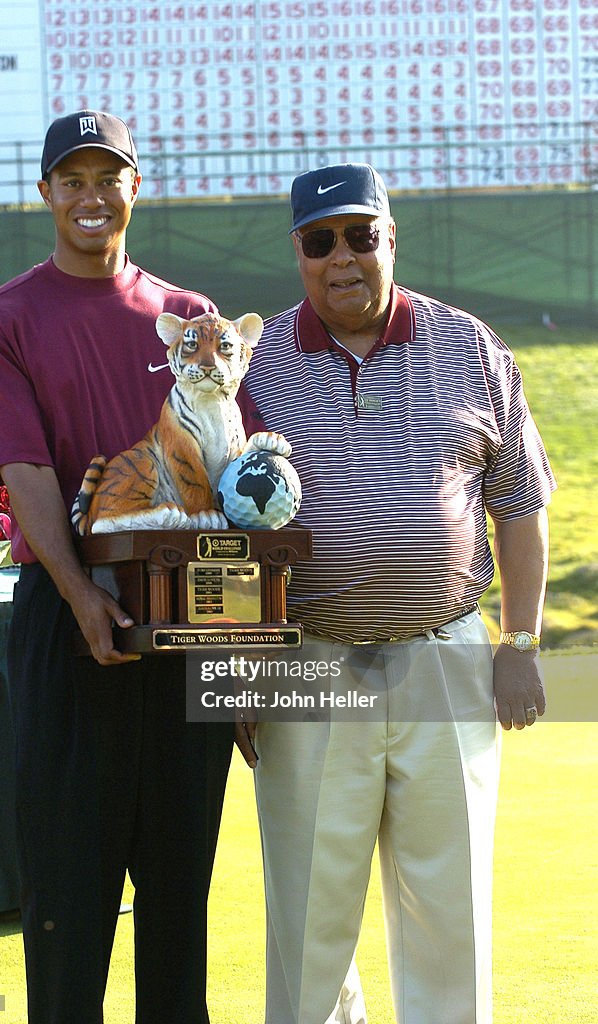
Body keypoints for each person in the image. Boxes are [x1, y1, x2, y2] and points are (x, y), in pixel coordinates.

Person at [236, 163, 555, 1024]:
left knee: (452, 913)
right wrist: (238, 663)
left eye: (359, 235)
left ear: (390, 237)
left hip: (444, 654)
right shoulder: (253, 363)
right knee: (309, 917)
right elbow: (222, 527)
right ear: (298, 253)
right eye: (319, 241)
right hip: (308, 660)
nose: (342, 258)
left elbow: (521, 509)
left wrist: (520, 645)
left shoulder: (471, 345)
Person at [0, 110, 257, 1024]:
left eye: (109, 177)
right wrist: (83, 594)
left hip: (187, 611)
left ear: (137, 186)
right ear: (46, 193)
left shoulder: (192, 321)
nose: (92, 196)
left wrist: (236, 658)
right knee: (69, 891)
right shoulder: (0, 319)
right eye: (73, 180)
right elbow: (26, 471)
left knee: (179, 888)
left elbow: (222, 484)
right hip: (67, 611)